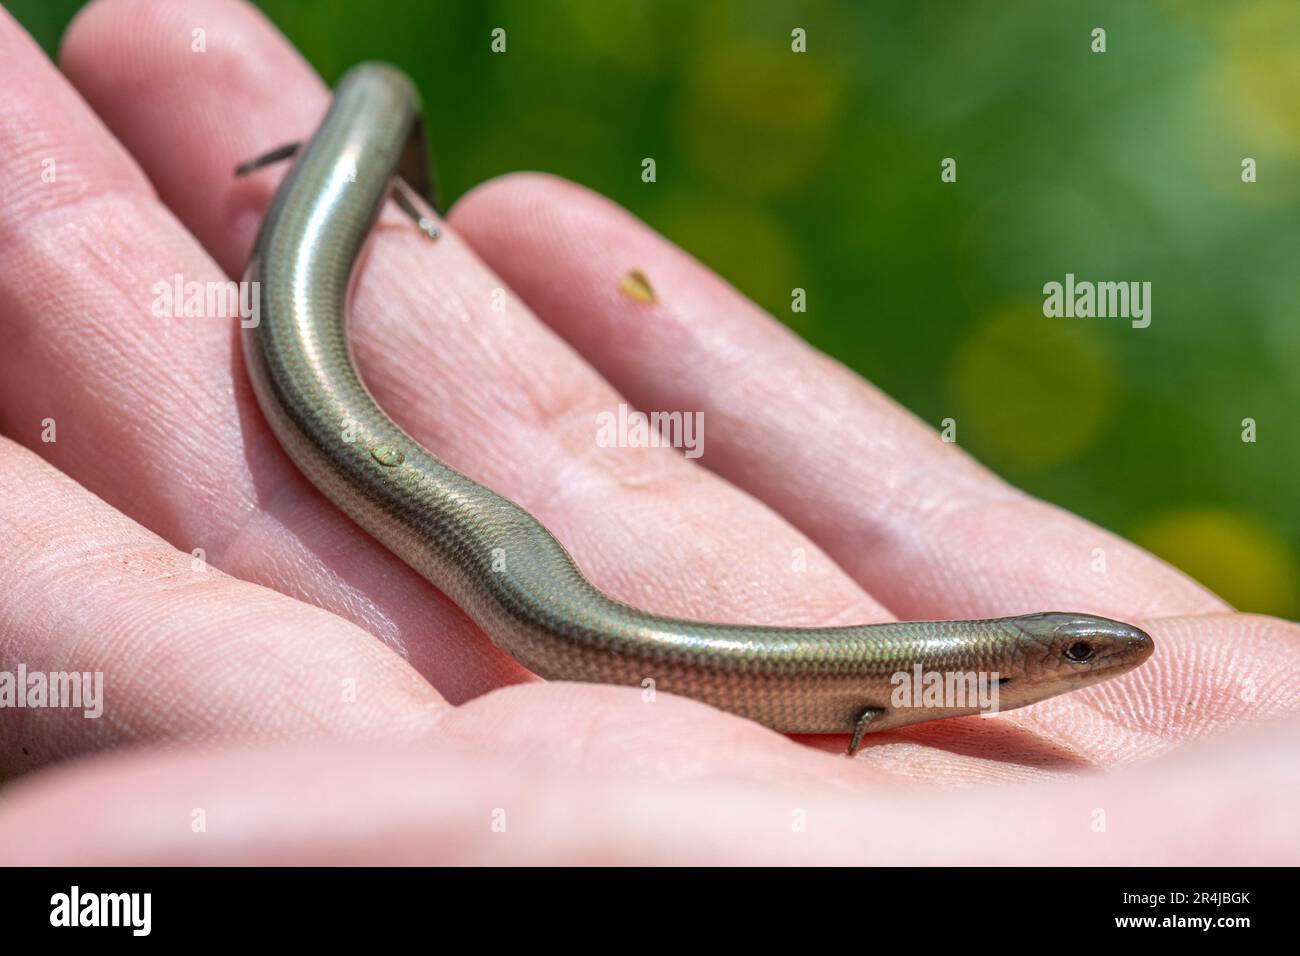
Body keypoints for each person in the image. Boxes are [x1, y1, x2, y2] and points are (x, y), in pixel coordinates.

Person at [0, 0, 1295, 864]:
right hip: (405, 469)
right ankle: (370, 117)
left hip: (549, 594)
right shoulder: (931, 678)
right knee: (416, 449)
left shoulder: (949, 692)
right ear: (1004, 663)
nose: (1099, 661)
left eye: (1080, 652)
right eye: (1074, 650)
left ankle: (365, 122)